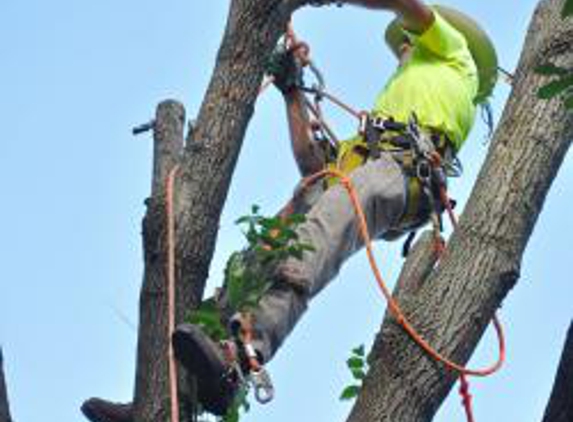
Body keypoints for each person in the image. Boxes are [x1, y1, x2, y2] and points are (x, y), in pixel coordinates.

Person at [81, 1, 497, 420]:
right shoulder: (385, 113)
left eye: (408, 40)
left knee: (312, 241)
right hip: (363, 172)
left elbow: (404, 4)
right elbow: (313, 167)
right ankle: (169, 394)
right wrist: (291, 89)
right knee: (253, 263)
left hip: (402, 170)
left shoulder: (456, 55)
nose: (402, 46)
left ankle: (244, 355)